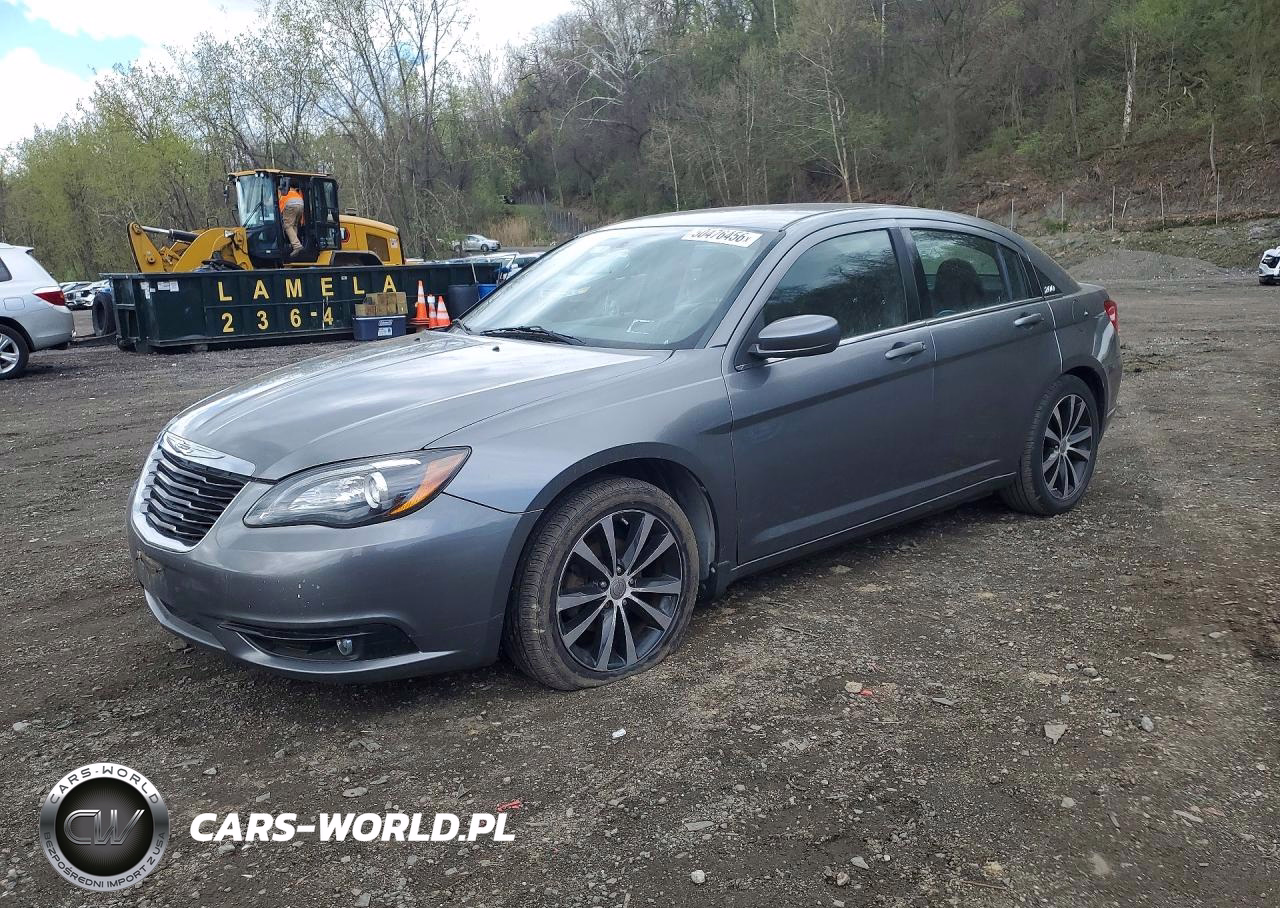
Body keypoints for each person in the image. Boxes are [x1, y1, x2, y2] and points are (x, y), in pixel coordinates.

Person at [278, 179, 305, 258]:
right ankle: (293, 245)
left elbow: (276, 205)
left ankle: (297, 246)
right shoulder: (293, 191)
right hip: (300, 204)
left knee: (287, 225)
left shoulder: (280, 192)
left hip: (290, 205)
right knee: (294, 225)